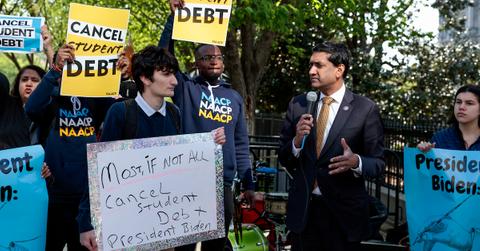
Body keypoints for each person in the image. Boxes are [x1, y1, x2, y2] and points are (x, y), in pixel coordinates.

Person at [77, 45, 226, 251]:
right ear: (145, 78)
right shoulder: (120, 113)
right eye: (166, 74)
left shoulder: (175, 113)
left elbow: (180, 165)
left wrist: (210, 145)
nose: (174, 81)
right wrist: (86, 223)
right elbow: (96, 171)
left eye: (173, 74)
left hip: (164, 226)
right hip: (125, 227)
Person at [159, 2, 255, 250]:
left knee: (217, 244)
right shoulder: (185, 89)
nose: (213, 61)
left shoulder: (234, 97)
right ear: (196, 63)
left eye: (217, 57)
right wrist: (173, 20)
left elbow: (241, 143)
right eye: (206, 57)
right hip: (187, 177)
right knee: (185, 245)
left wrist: (249, 183)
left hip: (223, 181)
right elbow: (164, 57)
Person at [278, 42, 385, 251]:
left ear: (339, 70)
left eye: (319, 65)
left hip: (344, 218)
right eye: (310, 65)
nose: (311, 71)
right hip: (304, 216)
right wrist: (297, 141)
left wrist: (356, 162)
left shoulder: (365, 109)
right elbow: (284, 157)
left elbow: (378, 164)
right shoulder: (298, 104)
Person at [24, 44, 116, 251]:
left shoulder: (95, 98)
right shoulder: (50, 97)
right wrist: (54, 71)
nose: (71, 67)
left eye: (75, 62)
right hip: (52, 197)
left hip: (86, 200)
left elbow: (117, 113)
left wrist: (116, 74)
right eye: (65, 63)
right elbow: (31, 109)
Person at [418, 84, 480, 151]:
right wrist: (422, 153)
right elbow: (425, 159)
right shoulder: (440, 139)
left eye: (469, 103)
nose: (461, 107)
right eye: (458, 102)